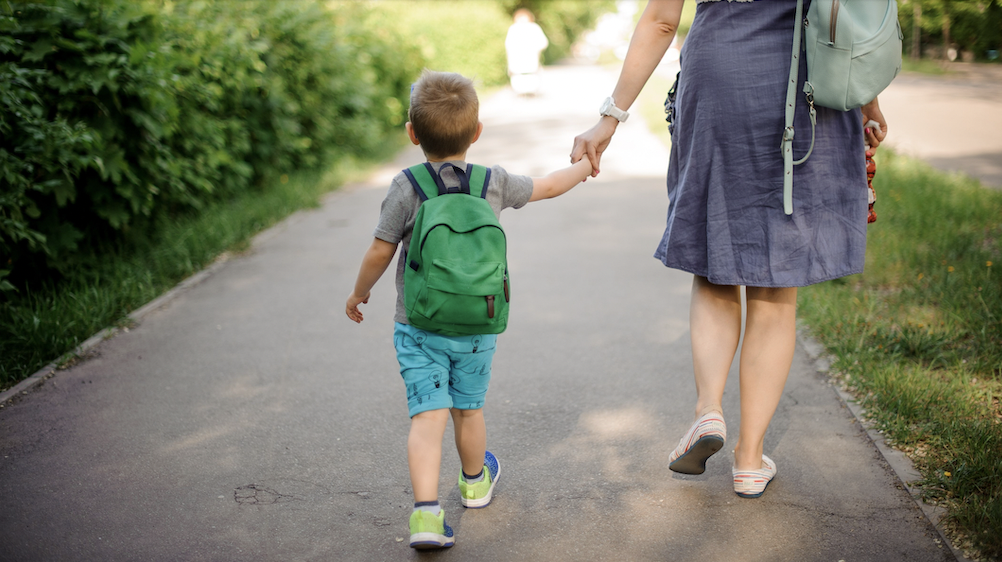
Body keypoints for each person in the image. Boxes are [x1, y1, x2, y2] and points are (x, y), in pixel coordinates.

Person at [570, 0, 888, 498]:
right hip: (810, 82)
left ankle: (708, 410)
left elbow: (661, 20)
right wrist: (865, 97)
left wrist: (609, 118)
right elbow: (848, 12)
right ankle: (748, 459)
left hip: (720, 74)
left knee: (718, 262)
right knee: (776, 283)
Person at [346, 70, 592, 549]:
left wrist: (359, 293)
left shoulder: (407, 185)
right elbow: (548, 187)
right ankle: (476, 483)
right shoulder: (492, 182)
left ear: (412, 133)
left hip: (419, 325)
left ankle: (425, 517)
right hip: (478, 324)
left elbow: (380, 250)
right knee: (469, 410)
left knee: (427, 417)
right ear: (476, 132)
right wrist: (584, 166)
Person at [505, 8, 549, 95]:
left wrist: (536, 49)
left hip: (531, 58)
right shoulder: (513, 28)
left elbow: (543, 42)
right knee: (519, 81)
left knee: (531, 79)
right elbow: (508, 45)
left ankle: (530, 94)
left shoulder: (534, 27)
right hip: (516, 59)